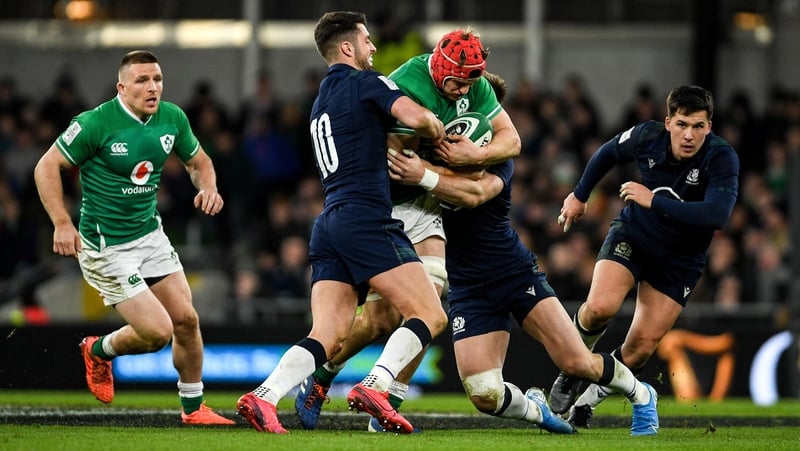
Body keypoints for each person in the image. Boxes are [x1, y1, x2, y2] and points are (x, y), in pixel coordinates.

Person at [294, 29, 521, 432]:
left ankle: (383, 394)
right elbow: (391, 158)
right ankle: (321, 377)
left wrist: (476, 153)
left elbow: (512, 141)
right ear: (438, 67)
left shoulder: (476, 85)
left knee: (430, 299)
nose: (462, 90)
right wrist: (437, 161)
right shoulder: (404, 83)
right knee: (379, 321)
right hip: (390, 203)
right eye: (456, 82)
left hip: (426, 205)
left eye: (470, 83)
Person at [387, 103, 660, 435]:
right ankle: (536, 410)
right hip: (469, 289)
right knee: (484, 394)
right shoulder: (428, 168)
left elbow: (472, 194)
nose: (452, 148)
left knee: (576, 363)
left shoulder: (496, 166)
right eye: (449, 143)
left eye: (460, 143)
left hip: (515, 276)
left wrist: (424, 175)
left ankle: (642, 394)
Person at [235, 11, 447, 435]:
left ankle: (263, 396)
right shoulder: (367, 82)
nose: (372, 48)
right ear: (347, 47)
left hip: (328, 221)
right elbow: (418, 117)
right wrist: (435, 126)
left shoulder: (320, 101)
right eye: (366, 40)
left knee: (328, 335)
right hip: (366, 218)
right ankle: (375, 385)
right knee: (430, 313)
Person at [33, 50, 233, 425]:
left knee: (187, 320)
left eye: (157, 79)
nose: (153, 87)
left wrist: (209, 187)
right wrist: (61, 223)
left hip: (149, 234)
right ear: (121, 88)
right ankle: (98, 351)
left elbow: (199, 161)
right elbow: (46, 167)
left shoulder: (172, 117)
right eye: (142, 81)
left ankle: (193, 409)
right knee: (157, 332)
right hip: (107, 247)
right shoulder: (96, 123)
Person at [550, 85, 740, 428]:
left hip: (680, 261)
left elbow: (717, 215)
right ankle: (571, 369)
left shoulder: (721, 157)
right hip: (635, 236)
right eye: (682, 124)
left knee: (640, 348)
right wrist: (579, 195)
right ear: (668, 122)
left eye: (698, 126)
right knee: (598, 309)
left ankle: (587, 402)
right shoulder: (646, 136)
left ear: (709, 127)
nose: (689, 135)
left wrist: (654, 200)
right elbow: (607, 152)